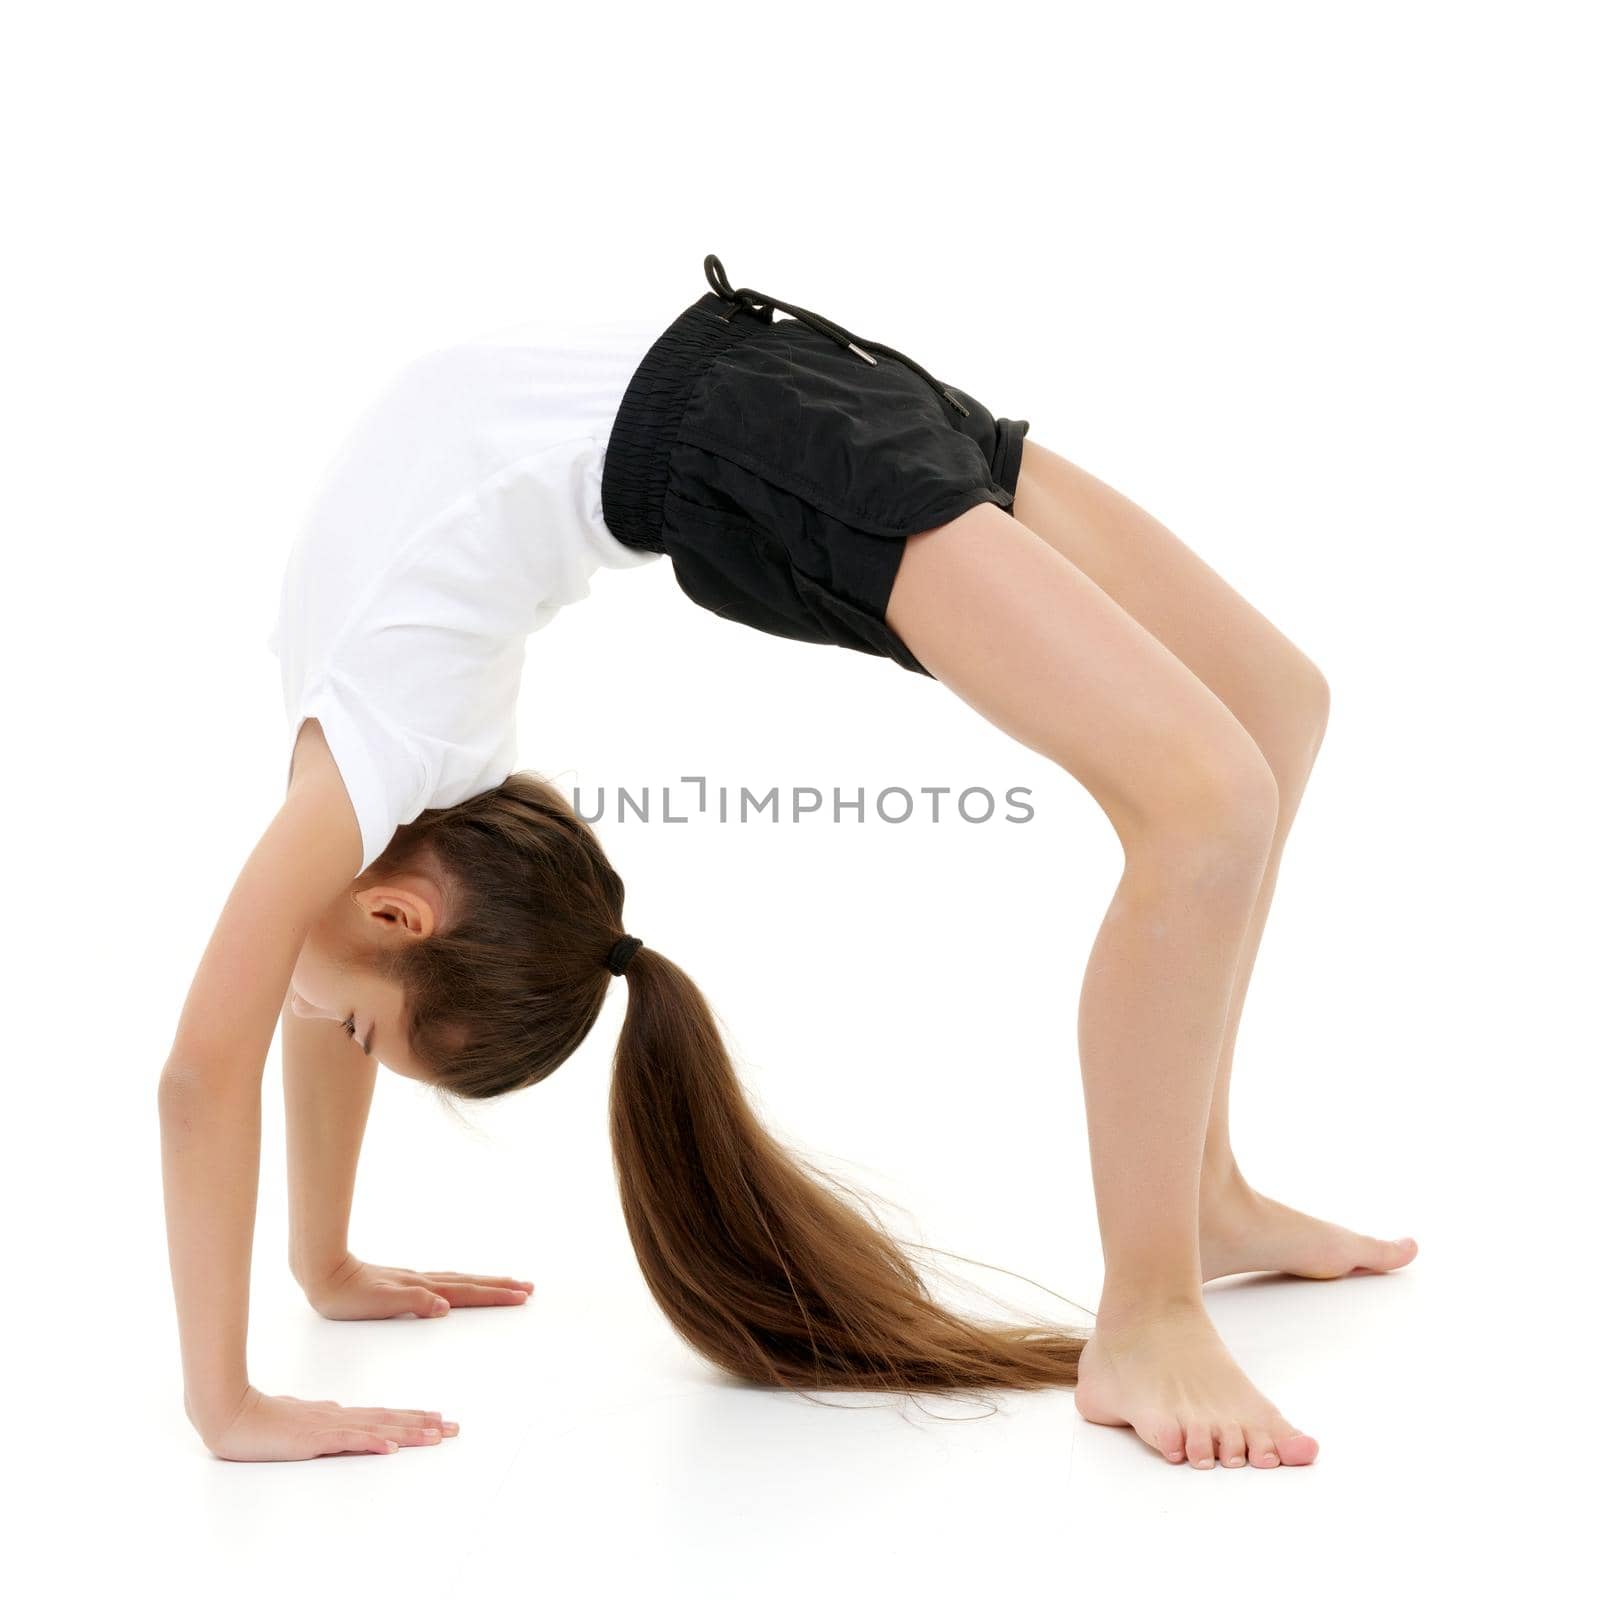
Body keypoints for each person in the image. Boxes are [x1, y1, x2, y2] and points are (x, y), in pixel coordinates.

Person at [159, 254, 1416, 1471]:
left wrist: (225, 1404)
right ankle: (1197, 1195)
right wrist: (320, 1262)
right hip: (791, 375)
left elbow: (201, 1075)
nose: (314, 1016)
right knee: (1265, 714)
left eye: (368, 1036)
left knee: (1211, 792)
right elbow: (330, 978)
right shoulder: (404, 796)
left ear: (398, 911)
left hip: (756, 434)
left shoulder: (374, 762)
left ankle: (1147, 1310)